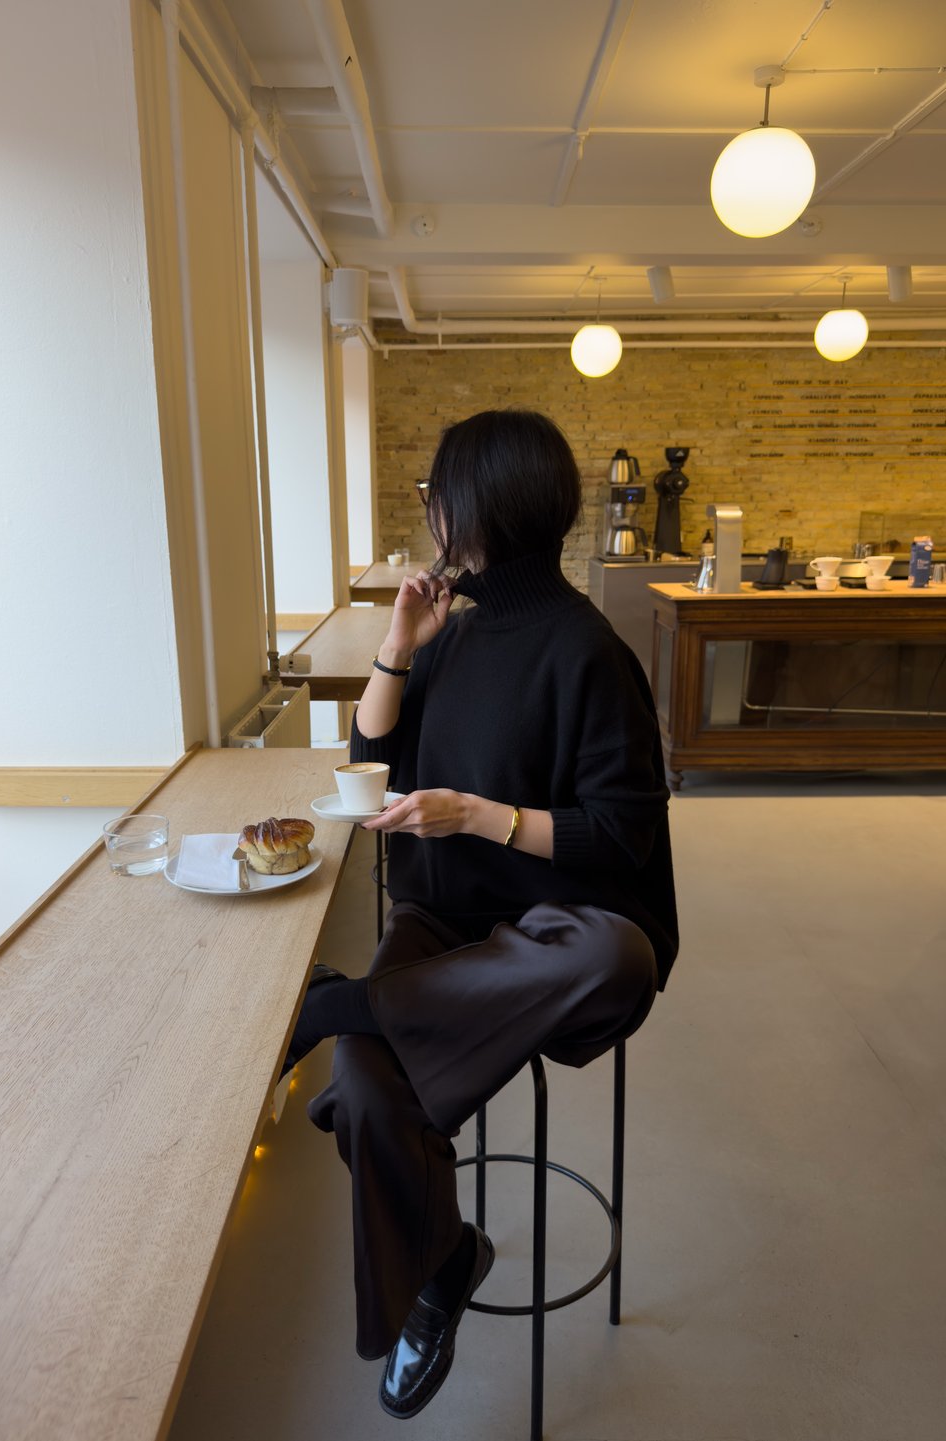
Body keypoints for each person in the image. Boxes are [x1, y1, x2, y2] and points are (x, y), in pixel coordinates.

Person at [284, 408, 678, 1420]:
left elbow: (617, 838)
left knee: (617, 955)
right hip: (444, 924)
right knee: (372, 1096)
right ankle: (444, 1264)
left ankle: (357, 1006)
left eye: (436, 490)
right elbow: (369, 772)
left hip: (561, 927)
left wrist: (477, 815)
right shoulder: (446, 635)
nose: (428, 506)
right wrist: (397, 645)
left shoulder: (589, 651)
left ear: (486, 505)